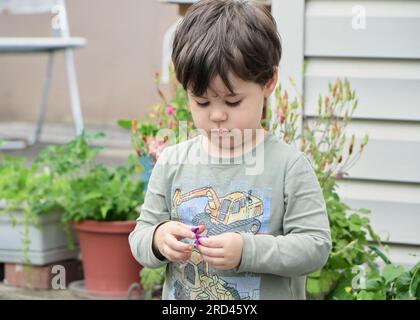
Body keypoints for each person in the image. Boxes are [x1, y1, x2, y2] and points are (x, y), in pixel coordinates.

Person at [129, 0, 331, 300]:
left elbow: (315, 246)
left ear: (269, 82)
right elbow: (140, 236)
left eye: (233, 101)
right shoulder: (172, 162)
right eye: (202, 102)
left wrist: (247, 251)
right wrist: (158, 240)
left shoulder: (288, 166)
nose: (217, 115)